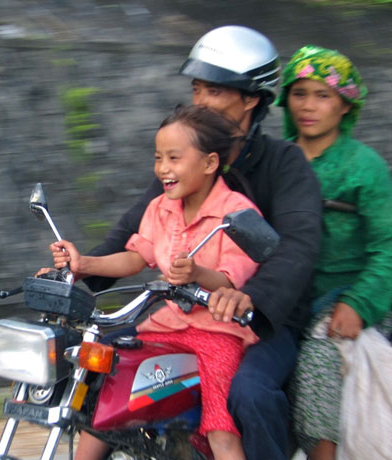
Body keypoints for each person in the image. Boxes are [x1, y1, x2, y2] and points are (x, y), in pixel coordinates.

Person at [83, 25, 323, 459]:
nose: (201, 102)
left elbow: (298, 246)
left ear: (251, 98)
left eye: (215, 91)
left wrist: (249, 298)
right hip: (184, 313)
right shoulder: (184, 159)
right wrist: (80, 268)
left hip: (261, 319)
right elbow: (133, 229)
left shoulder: (285, 164)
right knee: (96, 365)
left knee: (250, 393)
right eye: (197, 89)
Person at [52, 104, 261, 460]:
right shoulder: (160, 207)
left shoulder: (237, 213)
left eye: (174, 158)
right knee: (111, 391)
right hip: (167, 325)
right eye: (158, 157)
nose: (163, 168)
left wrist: (197, 274)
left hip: (219, 333)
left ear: (210, 163)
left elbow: (231, 278)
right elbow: (137, 256)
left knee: (220, 428)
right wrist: (84, 263)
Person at [276, 45, 392, 460]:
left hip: (347, 295)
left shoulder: (364, 167)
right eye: (300, 93)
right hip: (284, 297)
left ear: (345, 105)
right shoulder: (278, 160)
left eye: (322, 95)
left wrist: (357, 304)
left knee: (319, 360)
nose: (309, 106)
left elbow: (388, 249)